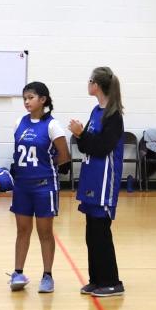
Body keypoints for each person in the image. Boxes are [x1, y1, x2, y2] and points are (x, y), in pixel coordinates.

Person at [8, 82, 70, 293]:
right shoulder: (19, 123)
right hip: (22, 187)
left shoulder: (52, 126)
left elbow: (64, 156)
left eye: (31, 97)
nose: (26, 101)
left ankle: (47, 275)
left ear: (42, 100)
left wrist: (47, 167)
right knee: (22, 230)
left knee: (45, 232)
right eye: (25, 98)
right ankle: (18, 273)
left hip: (45, 186)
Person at [68, 67, 125, 297]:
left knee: (101, 231)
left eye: (90, 80)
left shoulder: (114, 116)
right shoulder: (95, 110)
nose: (87, 83)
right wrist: (81, 135)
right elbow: (85, 146)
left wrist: (82, 135)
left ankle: (112, 281)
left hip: (104, 180)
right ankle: (96, 279)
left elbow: (102, 147)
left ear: (97, 85)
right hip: (91, 177)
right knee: (91, 232)